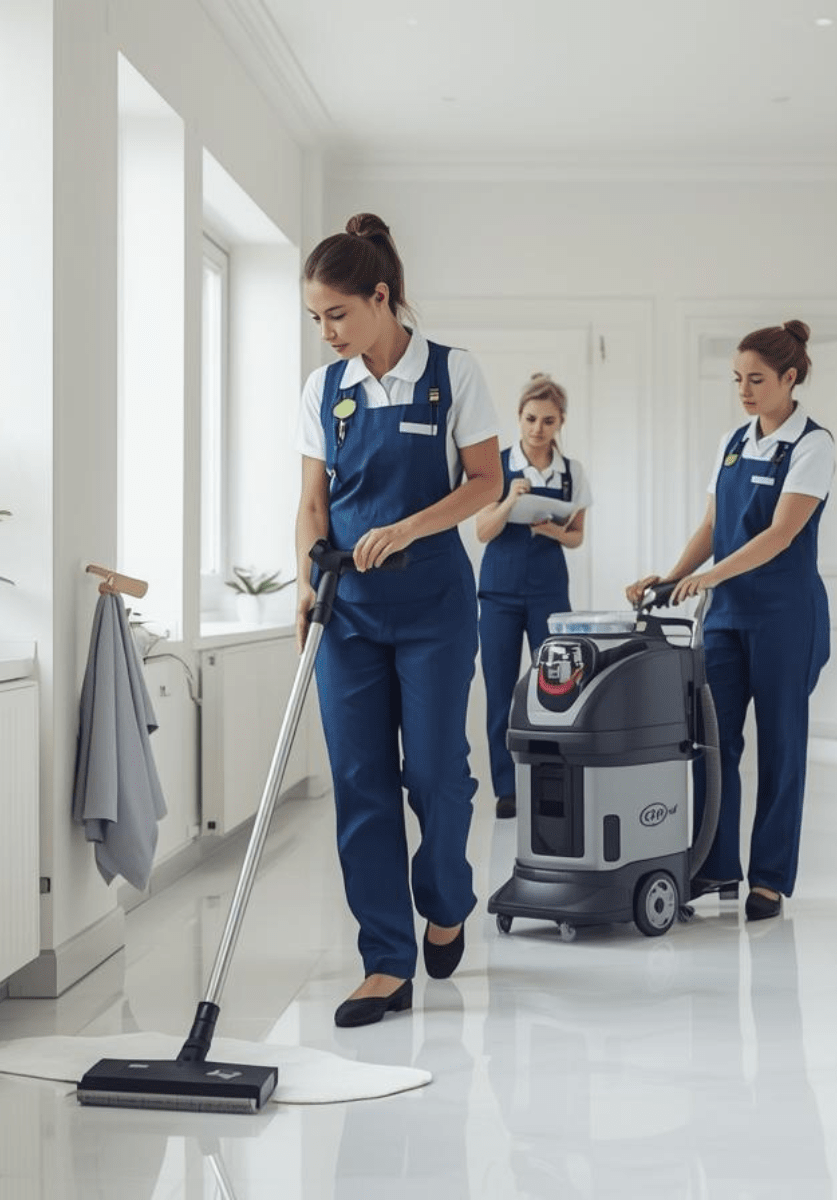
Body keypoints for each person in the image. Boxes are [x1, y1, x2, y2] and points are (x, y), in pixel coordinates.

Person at [296, 213, 503, 1026]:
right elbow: (313, 501)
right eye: (316, 319)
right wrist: (307, 579)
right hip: (346, 611)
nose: (327, 332)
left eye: (338, 314)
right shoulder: (325, 391)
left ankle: (447, 899)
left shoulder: (453, 373)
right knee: (360, 784)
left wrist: (411, 526)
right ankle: (385, 961)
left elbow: (485, 480)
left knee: (436, 774)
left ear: (381, 298)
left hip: (434, 608)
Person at [625, 320, 833, 922]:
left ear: (790, 378)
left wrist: (711, 577)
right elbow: (714, 528)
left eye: (757, 379)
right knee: (715, 742)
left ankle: (769, 879)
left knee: (782, 745)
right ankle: (717, 866)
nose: (744, 390)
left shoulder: (812, 446)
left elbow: (780, 534)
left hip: (785, 617)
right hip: (726, 619)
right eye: (737, 379)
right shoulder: (732, 442)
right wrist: (670, 578)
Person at [473, 374, 590, 818]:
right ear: (518, 417)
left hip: (548, 591)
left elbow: (577, 536)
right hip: (499, 593)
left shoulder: (572, 473)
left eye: (547, 421)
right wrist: (510, 500)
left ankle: (554, 781)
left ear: (560, 423)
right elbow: (483, 530)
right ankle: (507, 789)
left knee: (557, 690)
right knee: (501, 691)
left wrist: (552, 530)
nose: (537, 429)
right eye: (530, 419)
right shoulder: (496, 467)